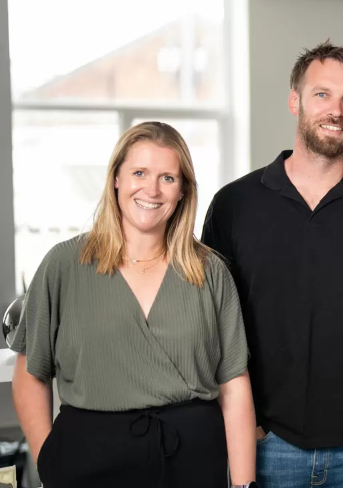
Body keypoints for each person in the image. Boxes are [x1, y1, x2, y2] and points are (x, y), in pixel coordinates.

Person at [201, 41, 343, 488]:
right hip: (266, 445)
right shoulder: (234, 205)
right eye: (322, 94)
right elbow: (209, 329)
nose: (337, 110)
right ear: (295, 101)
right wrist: (238, 429)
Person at [10, 122, 256, 488]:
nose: (151, 190)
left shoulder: (210, 272)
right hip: (86, 463)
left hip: (191, 464)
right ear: (116, 180)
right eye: (139, 173)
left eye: (168, 178)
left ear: (183, 190)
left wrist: (243, 485)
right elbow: (31, 374)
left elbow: (235, 386)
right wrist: (50, 460)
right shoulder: (63, 265)